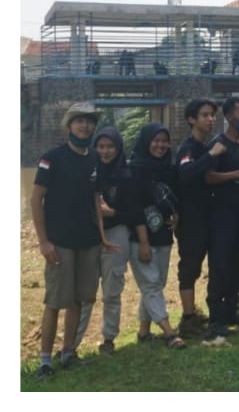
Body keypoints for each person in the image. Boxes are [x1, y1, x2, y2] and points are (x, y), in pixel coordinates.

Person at [31, 103, 114, 378]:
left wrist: (102, 235)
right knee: (55, 302)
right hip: (60, 242)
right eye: (79, 121)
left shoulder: (94, 159)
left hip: (88, 241)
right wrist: (44, 242)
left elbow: (95, 199)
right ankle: (45, 361)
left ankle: (68, 353)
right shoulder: (51, 158)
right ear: (69, 126)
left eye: (89, 121)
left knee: (80, 299)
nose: (85, 126)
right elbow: (35, 199)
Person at [121, 123, 185, 348]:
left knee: (157, 283)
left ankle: (143, 331)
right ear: (146, 142)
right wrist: (143, 242)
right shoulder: (134, 170)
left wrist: (176, 214)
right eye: (156, 141)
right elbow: (134, 208)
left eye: (164, 141)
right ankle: (169, 332)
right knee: (150, 285)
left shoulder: (169, 168)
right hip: (140, 238)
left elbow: (174, 197)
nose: (160, 145)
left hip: (164, 235)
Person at [73, 126, 131, 355]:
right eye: (101, 146)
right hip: (89, 236)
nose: (105, 151)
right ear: (94, 147)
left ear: (118, 148)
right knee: (84, 294)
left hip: (116, 234)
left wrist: (113, 212)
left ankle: (109, 339)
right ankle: (71, 344)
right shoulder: (86, 171)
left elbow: (135, 212)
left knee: (111, 291)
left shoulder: (127, 175)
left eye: (110, 147)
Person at [204, 96, 239, 338]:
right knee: (220, 264)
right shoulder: (217, 144)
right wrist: (234, 174)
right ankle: (216, 318)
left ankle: (232, 310)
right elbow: (208, 177)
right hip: (220, 213)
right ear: (228, 116)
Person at [174, 98, 220, 336]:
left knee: (209, 265)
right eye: (205, 115)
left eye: (212, 115)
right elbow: (185, 174)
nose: (211, 119)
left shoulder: (205, 145)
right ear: (192, 119)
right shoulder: (188, 148)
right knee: (190, 267)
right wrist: (211, 156)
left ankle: (205, 313)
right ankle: (188, 318)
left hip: (208, 215)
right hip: (190, 219)